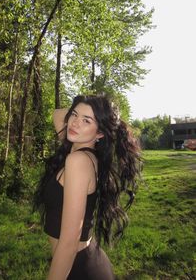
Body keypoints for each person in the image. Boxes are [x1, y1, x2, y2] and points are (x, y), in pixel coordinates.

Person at [34, 94, 142, 280]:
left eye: (86, 121)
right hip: (84, 260)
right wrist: (90, 109)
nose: (75, 123)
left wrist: (100, 113)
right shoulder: (79, 148)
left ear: (100, 133)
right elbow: (57, 113)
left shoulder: (78, 161)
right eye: (74, 115)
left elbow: (69, 242)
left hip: (77, 267)